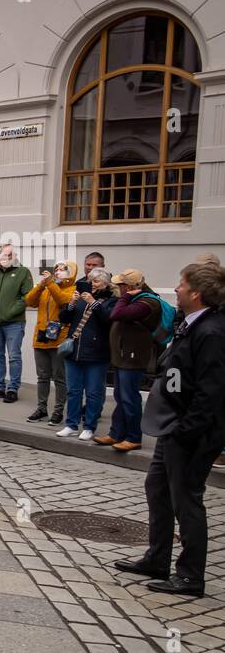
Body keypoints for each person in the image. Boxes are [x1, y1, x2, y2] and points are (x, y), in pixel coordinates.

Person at [114, 255, 225, 598]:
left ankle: (190, 576)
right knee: (157, 489)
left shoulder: (212, 331)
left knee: (186, 501)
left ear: (198, 293)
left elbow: (212, 392)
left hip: (190, 432)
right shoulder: (191, 321)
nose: (176, 288)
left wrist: (185, 430)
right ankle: (156, 557)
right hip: (172, 426)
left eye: (182, 284)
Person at [97, 269, 161, 452]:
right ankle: (116, 433)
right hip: (123, 356)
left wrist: (124, 299)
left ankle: (134, 437)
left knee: (129, 397)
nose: (118, 288)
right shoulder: (136, 300)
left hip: (133, 358)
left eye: (121, 285)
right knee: (120, 396)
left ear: (131, 287)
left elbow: (117, 314)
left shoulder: (147, 302)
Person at [56, 269, 115, 441]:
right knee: (73, 390)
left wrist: (94, 303)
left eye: (96, 281)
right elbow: (64, 318)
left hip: (97, 354)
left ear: (105, 283)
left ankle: (89, 426)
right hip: (74, 351)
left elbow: (108, 319)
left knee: (93, 392)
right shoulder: (81, 297)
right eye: (90, 281)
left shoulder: (111, 300)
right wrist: (72, 304)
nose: (92, 284)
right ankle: (71, 424)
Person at [23, 260, 77, 426]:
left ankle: (58, 410)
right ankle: (41, 408)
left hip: (58, 338)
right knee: (42, 376)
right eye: (57, 269)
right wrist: (40, 285)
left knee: (59, 377)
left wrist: (51, 284)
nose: (58, 272)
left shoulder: (73, 290)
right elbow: (29, 301)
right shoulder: (47, 287)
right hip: (41, 336)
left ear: (72, 273)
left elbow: (63, 301)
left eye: (63, 270)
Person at [0, 242, 32, 404]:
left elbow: (27, 297)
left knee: (14, 356)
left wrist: (9, 312)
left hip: (14, 323)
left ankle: (12, 389)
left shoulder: (23, 272)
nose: (7, 257)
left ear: (15, 256)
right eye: (4, 254)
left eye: (10, 255)